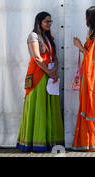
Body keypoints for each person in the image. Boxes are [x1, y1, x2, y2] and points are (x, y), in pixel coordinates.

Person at [17, 12, 65, 152]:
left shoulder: (48, 37)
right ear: (39, 22)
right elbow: (37, 58)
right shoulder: (33, 36)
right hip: (38, 75)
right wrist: (50, 72)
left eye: (50, 21)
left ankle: (49, 141)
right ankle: (35, 143)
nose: (49, 24)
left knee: (49, 107)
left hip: (50, 75)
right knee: (39, 107)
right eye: (46, 21)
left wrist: (55, 68)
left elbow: (54, 56)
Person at [72, 6, 95, 151]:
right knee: (87, 106)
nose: (85, 20)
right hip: (90, 79)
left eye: (87, 17)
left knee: (94, 107)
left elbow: (92, 58)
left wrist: (79, 46)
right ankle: (85, 143)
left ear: (92, 19)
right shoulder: (94, 36)